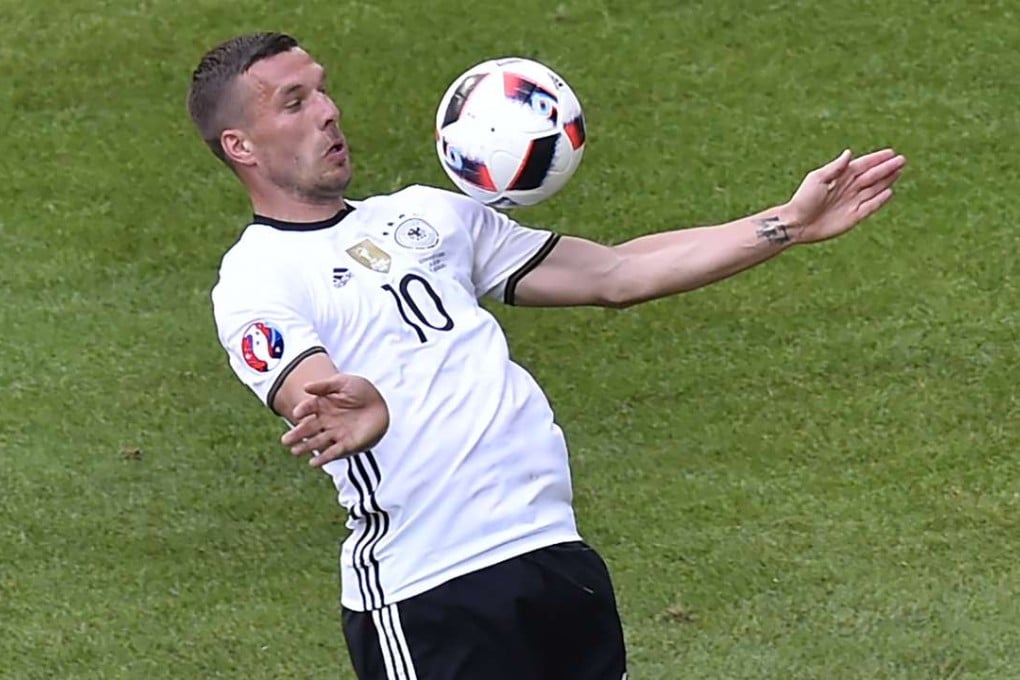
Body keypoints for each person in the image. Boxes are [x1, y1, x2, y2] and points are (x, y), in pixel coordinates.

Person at [188, 32, 905, 680]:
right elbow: (312, 391)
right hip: (433, 589)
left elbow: (616, 273)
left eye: (321, 88)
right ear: (240, 146)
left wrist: (784, 223)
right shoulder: (256, 279)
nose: (328, 111)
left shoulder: (429, 214)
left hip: (553, 556)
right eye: (295, 102)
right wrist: (356, 406)